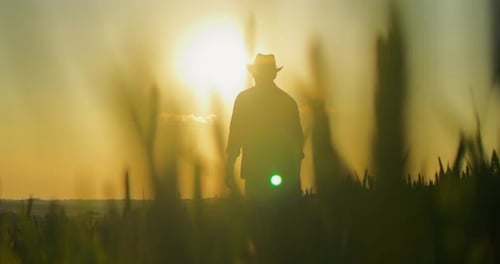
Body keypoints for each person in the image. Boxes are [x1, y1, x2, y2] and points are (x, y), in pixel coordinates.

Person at [225, 54, 304, 200]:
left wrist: (229, 167)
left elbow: (235, 137)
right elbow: (297, 143)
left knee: (258, 218)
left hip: (255, 172)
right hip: (283, 172)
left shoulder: (243, 100)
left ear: (255, 73)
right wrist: (295, 176)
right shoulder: (287, 102)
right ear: (274, 74)